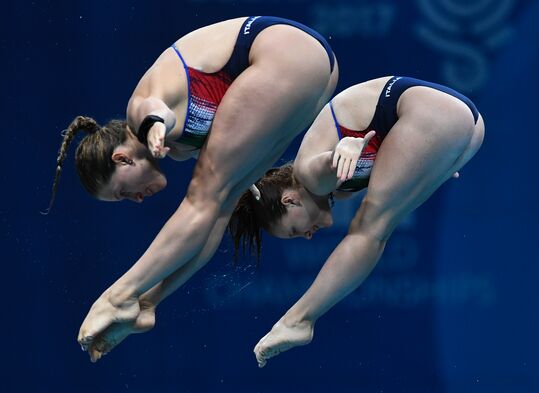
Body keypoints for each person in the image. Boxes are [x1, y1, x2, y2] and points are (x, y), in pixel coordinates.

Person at [47, 16, 338, 362]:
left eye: (123, 193)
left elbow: (153, 110)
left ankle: (116, 296)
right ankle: (144, 302)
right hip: (315, 70)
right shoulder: (184, 149)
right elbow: (208, 218)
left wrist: (155, 126)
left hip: (288, 53)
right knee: (220, 206)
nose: (136, 200)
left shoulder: (137, 113)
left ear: (122, 159)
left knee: (204, 196)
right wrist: (149, 298)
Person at [227, 76, 485, 367]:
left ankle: (298, 319)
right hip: (463, 125)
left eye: (295, 230)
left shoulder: (308, 176)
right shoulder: (340, 191)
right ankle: (299, 320)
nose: (308, 236)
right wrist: (429, 161)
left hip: (435, 112)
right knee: (377, 226)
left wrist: (344, 150)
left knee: (369, 228)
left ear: (290, 200)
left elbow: (326, 164)